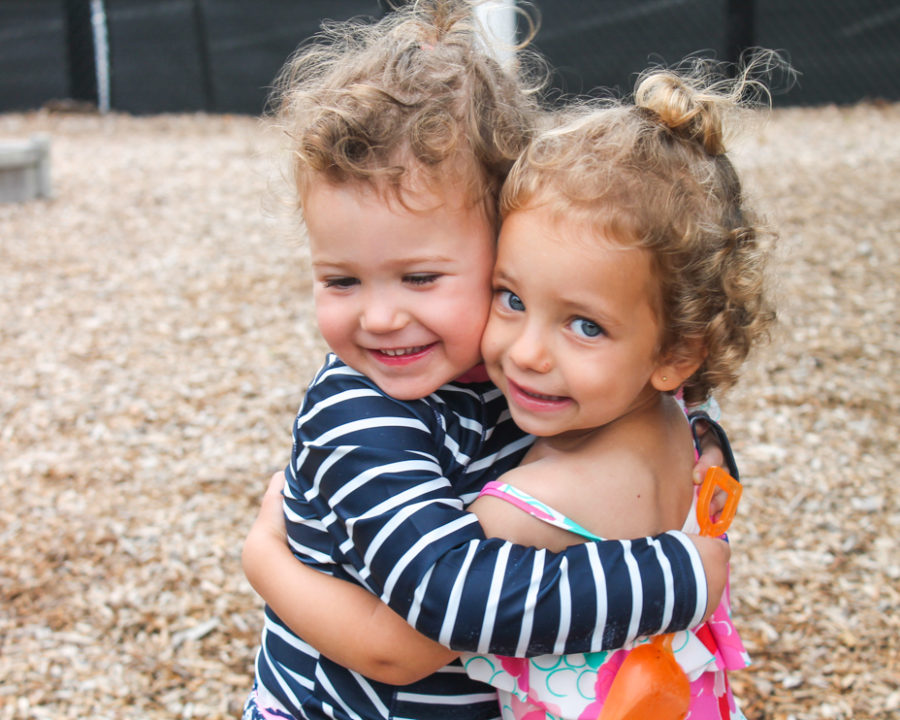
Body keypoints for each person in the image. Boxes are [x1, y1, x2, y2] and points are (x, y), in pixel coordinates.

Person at [242, 3, 735, 719]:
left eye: (420, 279)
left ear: (504, 244)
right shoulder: (359, 413)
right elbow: (443, 607)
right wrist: (678, 578)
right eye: (341, 280)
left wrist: (712, 448)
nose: (379, 318)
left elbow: (682, 419)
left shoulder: (520, 370)